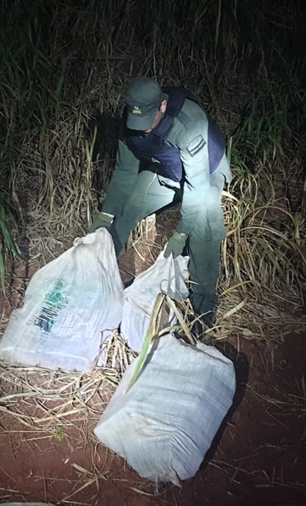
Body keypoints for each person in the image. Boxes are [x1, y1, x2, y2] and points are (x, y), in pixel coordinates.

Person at [90, 76, 232, 334]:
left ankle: (202, 313)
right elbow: (124, 172)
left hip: (206, 173)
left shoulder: (190, 122)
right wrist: (105, 214)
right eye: (136, 122)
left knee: (203, 232)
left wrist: (181, 233)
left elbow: (197, 187)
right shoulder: (129, 123)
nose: (142, 129)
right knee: (129, 208)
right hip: (167, 168)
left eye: (147, 122)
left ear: (163, 107)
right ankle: (97, 279)